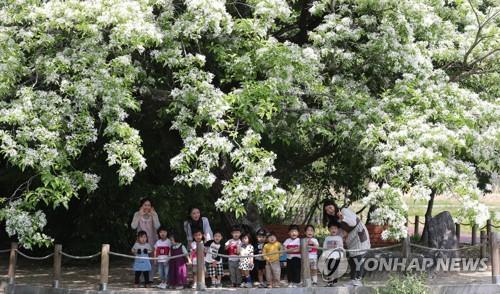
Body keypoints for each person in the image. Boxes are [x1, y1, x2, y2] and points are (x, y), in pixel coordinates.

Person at [323, 199, 370, 287]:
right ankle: (353, 280)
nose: (329, 211)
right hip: (350, 239)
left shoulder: (344, 211)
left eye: (330, 207)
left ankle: (358, 280)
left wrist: (343, 218)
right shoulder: (334, 220)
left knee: (359, 257)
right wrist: (340, 241)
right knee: (352, 258)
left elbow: (353, 222)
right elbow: (339, 232)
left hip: (359, 235)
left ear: (334, 206)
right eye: (327, 210)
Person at [321, 222, 345, 286]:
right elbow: (324, 247)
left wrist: (341, 256)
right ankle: (329, 282)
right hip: (328, 256)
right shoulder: (327, 238)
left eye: (335, 228)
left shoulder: (339, 238)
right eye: (332, 228)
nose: (333, 230)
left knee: (335, 269)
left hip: (336, 256)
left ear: (337, 230)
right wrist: (323, 255)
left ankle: (334, 282)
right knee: (329, 268)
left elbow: (341, 247)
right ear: (329, 229)